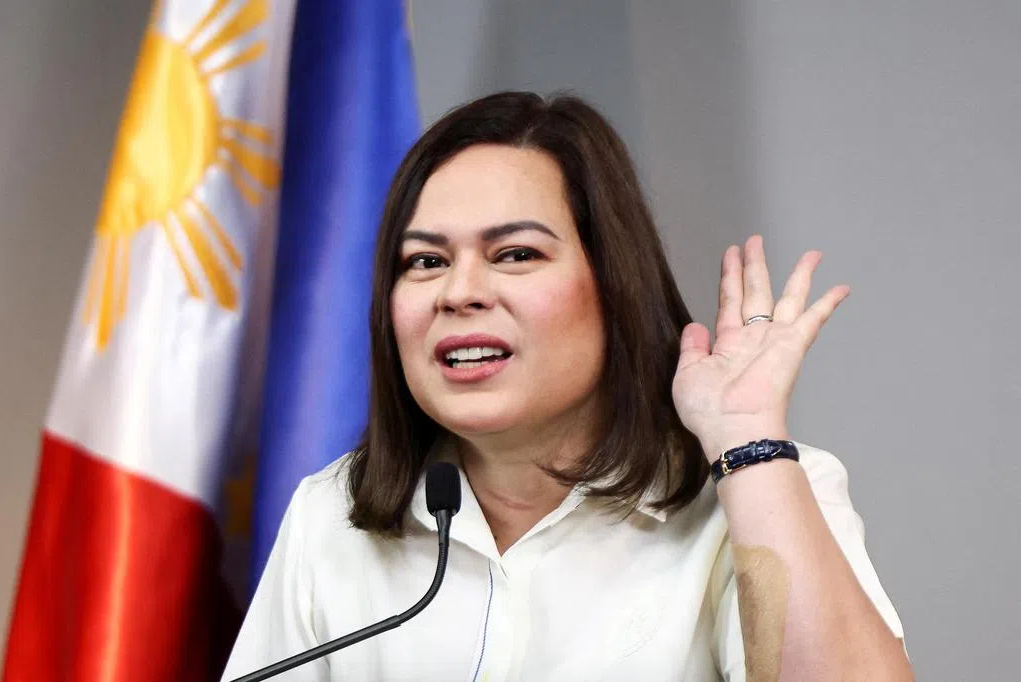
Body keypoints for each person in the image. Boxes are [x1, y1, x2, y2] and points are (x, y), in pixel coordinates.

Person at [222, 91, 912, 681]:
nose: (458, 292)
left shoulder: (763, 491)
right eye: (426, 261)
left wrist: (747, 440)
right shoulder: (331, 517)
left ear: (614, 285)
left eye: (516, 254)